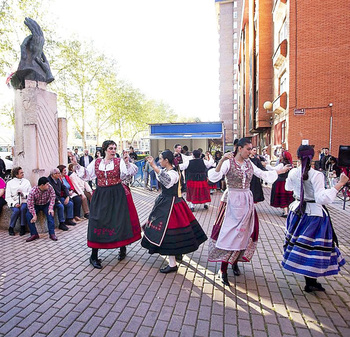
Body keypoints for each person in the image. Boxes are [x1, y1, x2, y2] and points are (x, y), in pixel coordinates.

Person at [207, 138, 291, 286]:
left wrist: (280, 171)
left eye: (251, 148)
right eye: (248, 149)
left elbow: (263, 174)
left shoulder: (249, 163)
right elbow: (214, 176)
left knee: (243, 233)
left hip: (246, 200)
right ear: (239, 148)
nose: (251, 151)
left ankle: (234, 262)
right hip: (231, 200)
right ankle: (223, 269)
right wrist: (220, 162)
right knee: (229, 233)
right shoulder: (228, 162)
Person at [282, 144, 349, 292]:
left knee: (303, 246)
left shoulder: (293, 172)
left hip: (297, 212)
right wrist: (340, 184)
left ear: (298, 157)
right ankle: (311, 282)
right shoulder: (316, 175)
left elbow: (288, 188)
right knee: (313, 249)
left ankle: (310, 281)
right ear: (313, 158)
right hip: (313, 215)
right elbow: (321, 198)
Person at [73, 140, 141, 269]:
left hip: (117, 194)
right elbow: (87, 175)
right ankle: (93, 255)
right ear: (105, 149)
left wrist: (126, 162)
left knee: (119, 220)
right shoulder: (96, 162)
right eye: (111, 148)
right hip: (101, 194)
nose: (113, 150)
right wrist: (77, 165)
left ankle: (122, 247)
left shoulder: (119, 161)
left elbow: (127, 174)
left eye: (115, 148)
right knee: (97, 221)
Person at [141, 150, 207, 273]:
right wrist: (155, 167)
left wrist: (154, 166)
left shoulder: (173, 173)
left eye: (161, 159)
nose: (159, 161)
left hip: (171, 205)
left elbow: (166, 182)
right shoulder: (169, 171)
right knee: (174, 231)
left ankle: (172, 264)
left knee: (169, 233)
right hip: (167, 202)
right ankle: (178, 254)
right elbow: (162, 178)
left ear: (166, 160)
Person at [25, 177, 57, 242]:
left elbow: (53, 196)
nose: (48, 185)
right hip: (36, 205)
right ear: (42, 185)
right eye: (47, 184)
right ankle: (34, 234)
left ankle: (52, 234)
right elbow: (30, 204)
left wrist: (51, 208)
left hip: (46, 204)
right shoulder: (33, 191)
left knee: (50, 215)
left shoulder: (49, 187)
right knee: (28, 215)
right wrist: (34, 214)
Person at [5, 167, 31, 236]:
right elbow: (7, 196)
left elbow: (30, 193)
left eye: (23, 172)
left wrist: (23, 194)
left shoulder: (26, 182)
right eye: (21, 173)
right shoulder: (10, 183)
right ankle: (11, 227)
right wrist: (14, 204)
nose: (23, 174)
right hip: (14, 201)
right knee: (16, 211)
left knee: (23, 208)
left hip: (24, 201)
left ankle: (23, 227)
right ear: (16, 175)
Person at [270, 151, 294, 217]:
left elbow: (274, 169)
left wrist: (266, 166)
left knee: (282, 196)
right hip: (288, 181)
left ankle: (285, 212)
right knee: (288, 197)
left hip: (281, 181)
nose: (280, 156)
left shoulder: (282, 164)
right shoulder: (291, 164)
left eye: (281, 155)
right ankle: (288, 211)